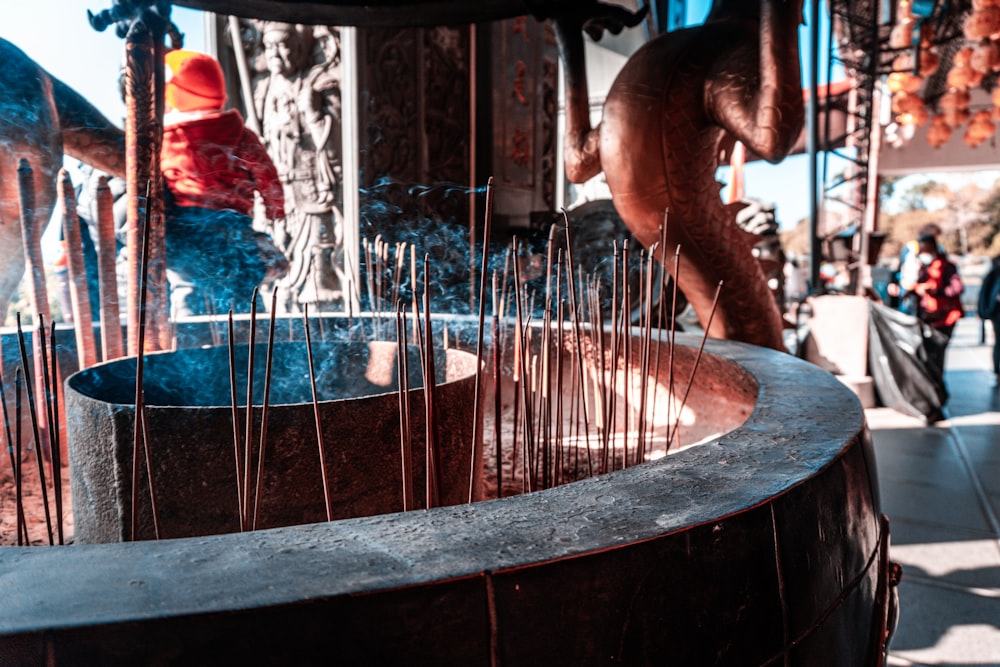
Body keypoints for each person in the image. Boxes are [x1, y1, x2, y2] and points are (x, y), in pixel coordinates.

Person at [161, 48, 288, 317]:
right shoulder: (241, 135)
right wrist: (275, 208)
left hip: (186, 224)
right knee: (242, 286)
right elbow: (267, 175)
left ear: (176, 95)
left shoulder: (169, 137)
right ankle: (248, 340)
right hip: (233, 224)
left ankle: (190, 337)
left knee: (189, 284)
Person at [904, 232, 964, 373]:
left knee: (937, 355)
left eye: (926, 250)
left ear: (934, 249)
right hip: (926, 317)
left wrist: (935, 291)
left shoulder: (947, 267)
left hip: (944, 318)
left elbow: (957, 288)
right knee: (926, 355)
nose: (923, 253)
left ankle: (937, 388)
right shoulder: (923, 267)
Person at [895, 222, 943, 314]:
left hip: (927, 292)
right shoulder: (910, 247)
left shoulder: (939, 250)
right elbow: (901, 267)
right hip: (908, 288)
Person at [978, 255, 1000, 377]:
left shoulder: (992, 276)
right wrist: (983, 311)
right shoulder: (993, 276)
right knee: (998, 342)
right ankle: (997, 370)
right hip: (996, 313)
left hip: (994, 312)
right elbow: (985, 295)